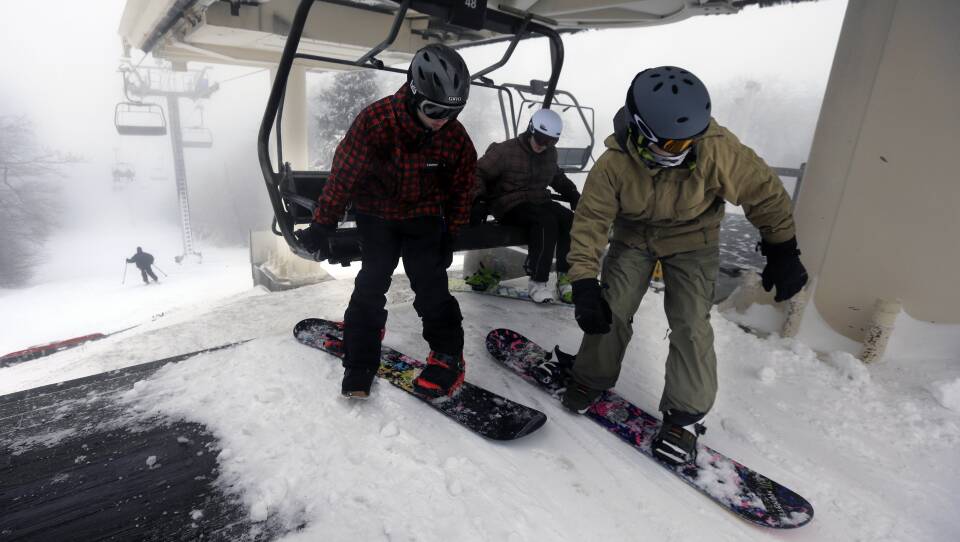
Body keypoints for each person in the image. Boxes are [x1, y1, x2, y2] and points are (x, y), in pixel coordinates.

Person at [560, 66, 808, 466]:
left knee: (691, 321)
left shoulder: (715, 149)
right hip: (634, 236)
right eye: (673, 145)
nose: (683, 151)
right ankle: (590, 376)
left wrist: (784, 249)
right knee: (614, 307)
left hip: (694, 238)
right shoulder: (614, 164)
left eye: (689, 141)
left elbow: (764, 193)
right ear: (642, 132)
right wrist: (585, 282)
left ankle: (684, 417)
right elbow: (590, 224)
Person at [298, 44, 478, 400]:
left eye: (452, 112)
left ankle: (447, 355)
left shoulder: (453, 138)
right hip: (377, 215)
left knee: (431, 286)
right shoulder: (377, 122)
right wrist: (323, 224)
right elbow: (344, 177)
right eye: (434, 109)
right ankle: (360, 358)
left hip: (423, 216)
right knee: (372, 281)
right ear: (413, 94)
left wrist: (450, 233)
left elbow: (461, 188)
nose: (442, 119)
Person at [473, 108, 581, 303]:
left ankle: (565, 277)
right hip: (509, 203)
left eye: (550, 141)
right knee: (545, 221)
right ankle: (537, 282)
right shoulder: (505, 151)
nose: (543, 145)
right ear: (531, 130)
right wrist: (478, 200)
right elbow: (477, 173)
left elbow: (555, 176)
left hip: (538, 200)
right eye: (540, 139)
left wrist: (572, 193)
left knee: (569, 219)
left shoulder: (549, 153)